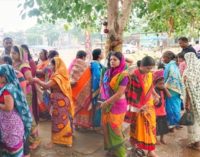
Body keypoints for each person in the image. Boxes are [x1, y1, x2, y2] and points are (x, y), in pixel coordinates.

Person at [33, 57, 74, 148]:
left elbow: (46, 85)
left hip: (59, 102)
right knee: (64, 120)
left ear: (56, 65)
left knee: (57, 121)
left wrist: (36, 80)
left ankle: (55, 141)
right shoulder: (62, 75)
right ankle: (67, 141)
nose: (50, 66)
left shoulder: (58, 77)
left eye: (52, 64)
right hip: (62, 101)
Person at [126, 56, 159, 157]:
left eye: (151, 68)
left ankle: (149, 150)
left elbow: (150, 87)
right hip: (138, 107)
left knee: (151, 126)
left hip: (149, 105)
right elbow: (130, 93)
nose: (150, 70)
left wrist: (156, 95)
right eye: (148, 68)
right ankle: (140, 148)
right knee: (138, 128)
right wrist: (139, 106)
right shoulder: (133, 76)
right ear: (141, 66)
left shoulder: (149, 75)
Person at [11, 45, 40, 155]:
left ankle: (36, 139)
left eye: (15, 53)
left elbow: (31, 80)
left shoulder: (24, 66)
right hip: (18, 93)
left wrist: (20, 81)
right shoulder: (14, 64)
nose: (13, 55)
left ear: (20, 54)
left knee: (27, 115)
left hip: (25, 92)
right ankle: (28, 137)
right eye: (12, 53)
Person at [100, 51, 129, 157]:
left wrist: (106, 103)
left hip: (118, 105)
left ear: (121, 61)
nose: (112, 61)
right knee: (107, 128)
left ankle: (121, 153)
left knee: (115, 129)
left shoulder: (123, 75)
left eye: (115, 60)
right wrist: (104, 101)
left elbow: (119, 93)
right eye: (110, 59)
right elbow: (103, 86)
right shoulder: (107, 72)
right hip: (106, 103)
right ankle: (112, 150)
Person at [0, 64, 32, 157]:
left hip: (10, 122)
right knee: (10, 145)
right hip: (8, 122)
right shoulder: (9, 86)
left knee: (12, 146)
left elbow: (8, 107)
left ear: (4, 77)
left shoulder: (8, 89)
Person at [70, 50, 92, 129]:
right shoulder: (84, 64)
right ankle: (82, 124)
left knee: (74, 106)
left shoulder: (72, 63)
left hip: (73, 89)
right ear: (83, 57)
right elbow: (89, 76)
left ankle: (75, 124)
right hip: (83, 89)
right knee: (83, 106)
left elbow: (70, 75)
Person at [162, 51, 183, 132]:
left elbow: (164, 78)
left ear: (167, 58)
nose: (163, 59)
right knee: (176, 107)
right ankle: (177, 123)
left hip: (170, 89)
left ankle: (171, 126)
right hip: (177, 89)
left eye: (164, 57)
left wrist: (163, 87)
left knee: (170, 108)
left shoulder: (169, 66)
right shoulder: (175, 65)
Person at [183, 53, 200, 151]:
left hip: (193, 101)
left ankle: (197, 143)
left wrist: (187, 103)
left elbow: (188, 90)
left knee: (194, 122)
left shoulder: (188, 72)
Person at [153, 70, 170, 145]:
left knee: (163, 126)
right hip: (155, 112)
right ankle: (155, 139)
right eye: (160, 84)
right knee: (155, 126)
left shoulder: (163, 90)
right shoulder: (154, 90)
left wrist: (165, 88)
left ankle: (162, 139)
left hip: (163, 112)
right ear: (155, 84)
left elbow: (169, 96)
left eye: (163, 83)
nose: (162, 85)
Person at [90, 48, 104, 128]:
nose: (103, 54)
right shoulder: (95, 64)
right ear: (99, 55)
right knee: (97, 104)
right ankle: (96, 124)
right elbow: (97, 77)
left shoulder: (98, 63)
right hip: (96, 87)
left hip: (97, 87)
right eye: (102, 53)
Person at [36, 49, 50, 119]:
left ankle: (46, 113)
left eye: (41, 53)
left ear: (45, 55)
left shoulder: (47, 62)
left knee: (43, 98)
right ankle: (42, 113)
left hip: (43, 82)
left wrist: (34, 70)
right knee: (39, 98)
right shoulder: (39, 62)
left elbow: (43, 72)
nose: (40, 54)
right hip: (38, 82)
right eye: (39, 53)